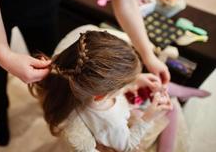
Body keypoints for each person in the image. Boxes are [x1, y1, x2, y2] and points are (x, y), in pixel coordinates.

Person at [0, 0, 170, 146]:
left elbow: (125, 1)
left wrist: (148, 56)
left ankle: (50, 105)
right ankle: (0, 113)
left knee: (56, 70)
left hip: (43, 1)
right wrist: (4, 54)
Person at [29, 31, 210, 152]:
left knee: (156, 88)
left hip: (117, 105)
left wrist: (137, 80)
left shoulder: (71, 81)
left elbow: (111, 90)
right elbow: (129, 146)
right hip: (128, 127)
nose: (130, 83)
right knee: (171, 110)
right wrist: (148, 117)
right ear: (102, 95)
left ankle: (182, 91)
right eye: (125, 83)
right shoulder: (112, 123)